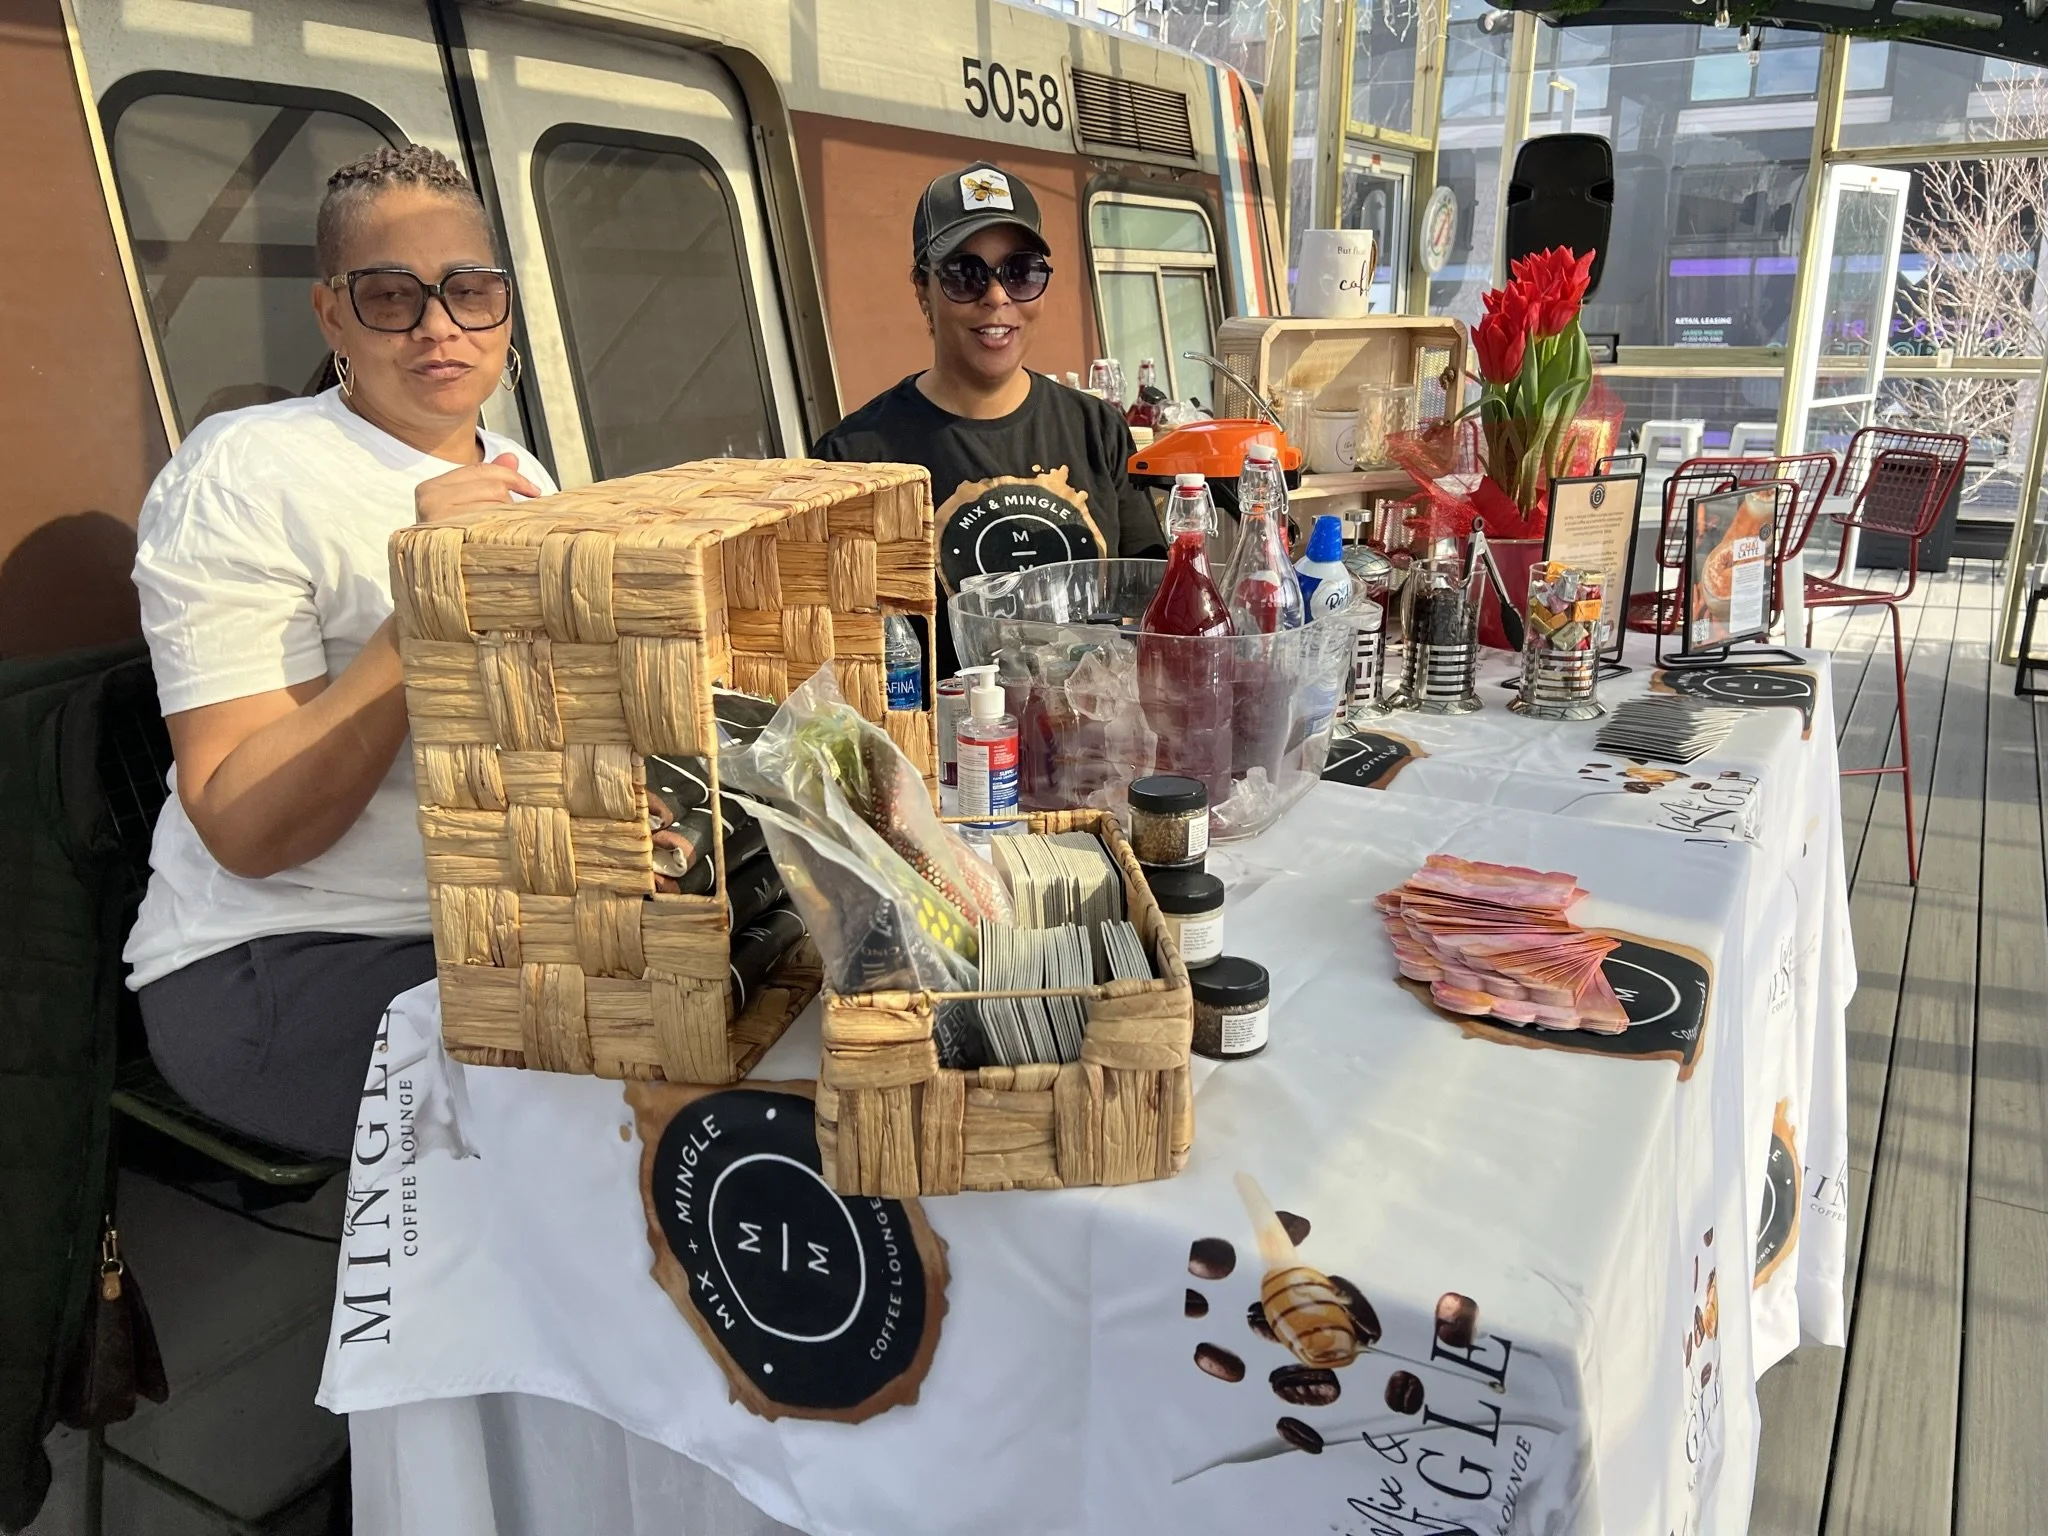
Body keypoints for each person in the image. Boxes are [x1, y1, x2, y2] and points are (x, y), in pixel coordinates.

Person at [125, 144, 555, 1159]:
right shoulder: (245, 471)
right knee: (620, 1092)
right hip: (284, 959)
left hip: (480, 926)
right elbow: (245, 824)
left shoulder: (521, 473)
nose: (439, 326)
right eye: (391, 296)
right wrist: (427, 603)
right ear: (332, 316)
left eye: (469, 291)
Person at [813, 161, 1165, 672]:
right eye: (965, 275)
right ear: (922, 289)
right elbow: (838, 652)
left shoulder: (1098, 430)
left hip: (1092, 721)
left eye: (1021, 272)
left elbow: (1150, 610)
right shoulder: (856, 459)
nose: (997, 297)